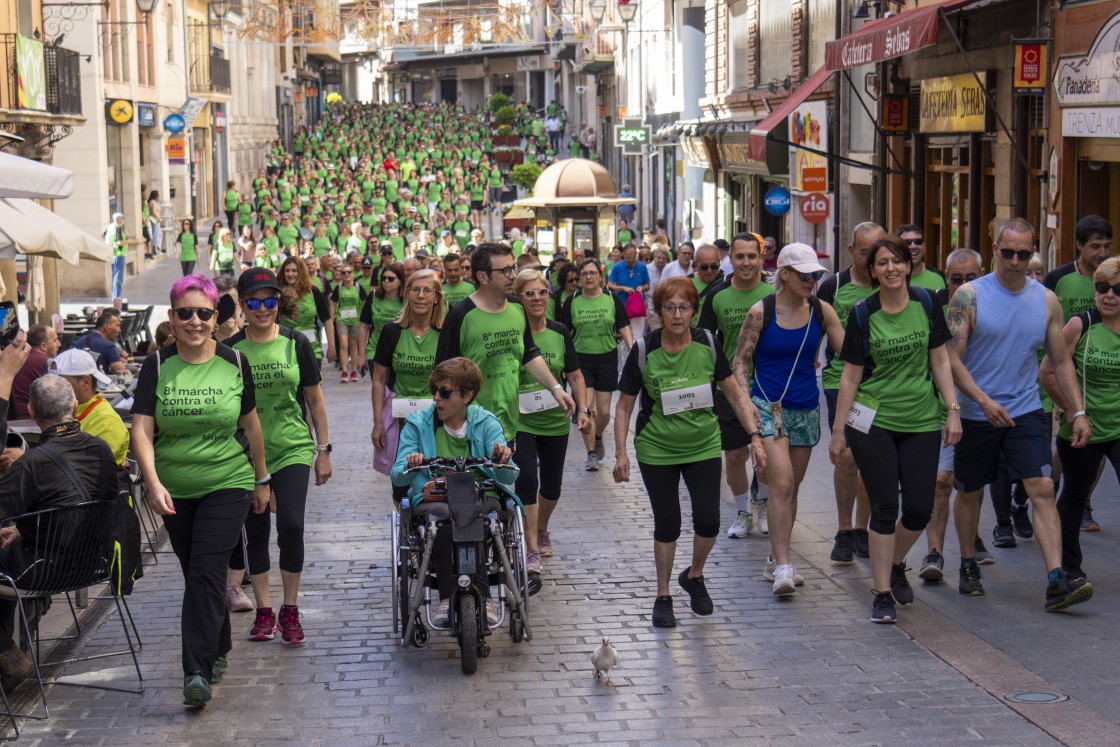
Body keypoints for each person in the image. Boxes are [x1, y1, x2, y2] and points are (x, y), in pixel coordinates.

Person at [131, 274, 271, 708]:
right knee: (198, 572)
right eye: (185, 313)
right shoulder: (156, 366)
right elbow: (141, 429)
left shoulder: (235, 362)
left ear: (216, 318)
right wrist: (153, 484)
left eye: (204, 313)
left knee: (206, 572)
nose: (194, 321)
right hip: (174, 491)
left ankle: (196, 670)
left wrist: (262, 479)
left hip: (227, 482)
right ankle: (220, 644)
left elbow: (250, 425)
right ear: (172, 318)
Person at [945, 217, 1092, 610]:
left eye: (1023, 254)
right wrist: (981, 400)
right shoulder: (969, 297)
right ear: (995, 249)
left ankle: (1056, 578)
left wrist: (1077, 411)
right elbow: (950, 359)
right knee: (970, 490)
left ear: (1032, 255)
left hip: (1026, 409)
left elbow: (1061, 362)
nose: (1014, 261)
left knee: (1042, 487)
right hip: (978, 411)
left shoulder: (1045, 300)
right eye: (1007, 252)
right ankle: (968, 562)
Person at [614, 277, 766, 627]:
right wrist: (621, 453)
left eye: (684, 307)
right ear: (660, 312)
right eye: (670, 308)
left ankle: (694, 575)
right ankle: (663, 594)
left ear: (694, 311)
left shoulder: (708, 344)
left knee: (709, 522)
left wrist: (754, 436)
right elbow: (623, 407)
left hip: (703, 445)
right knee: (668, 524)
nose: (678, 314)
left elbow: (734, 392)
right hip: (657, 449)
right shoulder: (643, 349)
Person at [828, 236, 960, 623]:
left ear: (907, 265)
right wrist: (838, 431)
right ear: (872, 271)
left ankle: (895, 561)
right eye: (881, 263)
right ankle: (882, 592)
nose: (890, 268)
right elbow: (850, 376)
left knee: (918, 510)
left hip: (921, 418)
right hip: (873, 422)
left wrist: (952, 410)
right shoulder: (862, 313)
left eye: (896, 261)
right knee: (885, 508)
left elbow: (939, 358)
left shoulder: (927, 302)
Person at [227, 268, 331, 645]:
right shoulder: (232, 351)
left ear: (278, 302)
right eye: (253, 301)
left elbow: (315, 401)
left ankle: (290, 609)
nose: (262, 308)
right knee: (255, 531)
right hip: (246, 455)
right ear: (242, 305)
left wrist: (323, 451)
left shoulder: (296, 342)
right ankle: (264, 610)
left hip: (292, 448)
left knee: (290, 526)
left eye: (270, 300)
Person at [733, 244, 844, 596]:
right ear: (784, 273)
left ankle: (774, 558)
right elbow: (740, 361)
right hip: (768, 406)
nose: (811, 281)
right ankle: (784, 566)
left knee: (790, 487)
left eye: (815, 275)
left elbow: (851, 353)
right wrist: (746, 404)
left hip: (806, 408)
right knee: (781, 484)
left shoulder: (822, 311)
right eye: (804, 275)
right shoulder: (760, 311)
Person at [0, 374, 118, 692]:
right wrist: (25, 532)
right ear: (75, 407)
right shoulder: (102, 449)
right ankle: (15, 650)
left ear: (31, 411)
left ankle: (7, 653)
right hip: (96, 563)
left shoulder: (32, 464)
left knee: (5, 564)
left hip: (46, 570)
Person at [390, 357, 517, 627]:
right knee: (442, 517)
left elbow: (511, 475)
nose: (436, 398)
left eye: (445, 392)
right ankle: (447, 596)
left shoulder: (486, 423)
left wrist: (502, 460)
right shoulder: (417, 424)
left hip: (480, 495)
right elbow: (396, 474)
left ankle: (483, 595)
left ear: (467, 395)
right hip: (434, 497)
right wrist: (412, 463)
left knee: (486, 517)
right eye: (435, 390)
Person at [436, 244, 575, 443]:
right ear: (483, 277)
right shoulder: (460, 316)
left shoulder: (517, 308)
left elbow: (529, 354)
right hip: (470, 429)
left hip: (510, 425)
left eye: (513, 268)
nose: (513, 276)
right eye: (505, 271)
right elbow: (443, 374)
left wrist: (556, 389)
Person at [1037, 256, 1120, 586]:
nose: (1109, 296)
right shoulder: (1080, 325)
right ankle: (1070, 565)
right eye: (1102, 288)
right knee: (1074, 494)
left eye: (1117, 289)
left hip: (1118, 427)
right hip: (1083, 429)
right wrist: (1070, 409)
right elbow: (1047, 372)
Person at [513, 269, 591, 575]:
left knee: (552, 487)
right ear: (518, 298)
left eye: (542, 292)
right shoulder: (513, 330)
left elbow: (575, 374)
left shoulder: (559, 331)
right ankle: (530, 545)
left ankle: (541, 527)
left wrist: (583, 409)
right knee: (527, 481)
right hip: (520, 420)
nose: (536, 298)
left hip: (555, 420)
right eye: (529, 293)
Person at [697, 233, 775, 539]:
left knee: (767, 452)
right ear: (730, 258)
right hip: (728, 389)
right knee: (734, 456)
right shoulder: (717, 295)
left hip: (768, 388)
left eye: (751, 256)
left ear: (761, 257)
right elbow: (704, 343)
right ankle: (744, 512)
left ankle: (765, 505)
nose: (746, 263)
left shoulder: (774, 293)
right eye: (739, 257)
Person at [817, 222, 881, 563]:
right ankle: (844, 529)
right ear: (851, 250)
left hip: (879, 387)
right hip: (840, 382)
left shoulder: (892, 284)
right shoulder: (834, 286)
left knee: (868, 459)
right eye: (865, 251)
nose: (872, 258)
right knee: (846, 457)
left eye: (879, 250)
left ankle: (861, 529)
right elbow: (816, 331)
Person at [1044, 215, 1112, 531]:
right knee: (1074, 441)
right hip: (1063, 369)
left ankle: (1082, 500)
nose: (1101, 252)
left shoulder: (1112, 275)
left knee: (1096, 449)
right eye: (1095, 246)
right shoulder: (1058, 277)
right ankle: (1052, 482)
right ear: (1080, 245)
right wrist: (1070, 405)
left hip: (1102, 370)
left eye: (1106, 246)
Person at [918, 248, 983, 582]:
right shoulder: (932, 305)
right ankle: (935, 553)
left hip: (981, 402)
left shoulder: (991, 300)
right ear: (946, 277)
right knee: (941, 480)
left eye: (971, 277)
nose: (963, 284)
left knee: (971, 484)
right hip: (943, 402)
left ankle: (970, 550)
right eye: (956, 278)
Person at [371, 269, 444, 500]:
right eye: (416, 290)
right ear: (407, 295)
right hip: (401, 420)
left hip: (437, 418)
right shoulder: (391, 332)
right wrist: (377, 424)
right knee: (401, 484)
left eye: (427, 291)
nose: (421, 296)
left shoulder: (445, 333)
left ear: (436, 298)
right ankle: (406, 530)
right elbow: (378, 379)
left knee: (436, 480)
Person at [559, 258, 634, 470]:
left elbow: (624, 326)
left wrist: (634, 349)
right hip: (580, 361)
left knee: (603, 412)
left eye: (592, 273)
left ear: (600, 277)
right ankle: (591, 453)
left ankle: (598, 435)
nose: (589, 277)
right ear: (579, 278)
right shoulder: (572, 300)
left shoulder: (611, 299)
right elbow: (564, 333)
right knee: (587, 408)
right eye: (584, 274)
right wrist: (563, 362)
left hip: (607, 359)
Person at [50, 348, 129, 466]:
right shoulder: (64, 411)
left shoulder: (107, 421)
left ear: (86, 382)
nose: (51, 388)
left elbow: (84, 468)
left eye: (60, 383)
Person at [278, 256, 335, 368]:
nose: (290, 274)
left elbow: (327, 320)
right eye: (287, 270)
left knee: (314, 385)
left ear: (301, 272)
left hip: (311, 349)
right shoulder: (278, 294)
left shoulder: (313, 291)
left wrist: (331, 347)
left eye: (294, 270)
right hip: (286, 350)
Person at [359, 262, 405, 374]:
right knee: (378, 389)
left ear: (400, 281)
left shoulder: (407, 300)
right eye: (383, 278)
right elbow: (364, 326)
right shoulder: (374, 296)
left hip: (400, 353)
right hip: (375, 351)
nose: (386, 281)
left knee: (394, 391)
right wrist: (361, 355)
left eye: (391, 279)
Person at [331, 262, 369, 383]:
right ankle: (344, 371)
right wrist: (331, 318)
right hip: (342, 319)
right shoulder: (338, 288)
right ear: (341, 275)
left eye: (349, 272)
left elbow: (365, 303)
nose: (346, 274)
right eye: (344, 273)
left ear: (352, 274)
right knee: (343, 345)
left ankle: (353, 371)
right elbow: (333, 303)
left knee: (354, 345)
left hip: (355, 320)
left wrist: (366, 319)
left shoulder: (358, 287)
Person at [11, 324, 60, 420]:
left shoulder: (18, 357)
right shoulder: (45, 362)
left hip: (12, 418)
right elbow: (54, 399)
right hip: (31, 420)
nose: (59, 344)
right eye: (55, 340)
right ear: (43, 346)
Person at [606, 245, 651, 339]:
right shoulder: (617, 267)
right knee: (623, 338)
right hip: (622, 306)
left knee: (638, 337)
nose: (631, 260)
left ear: (636, 255)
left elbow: (647, 285)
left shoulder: (642, 267)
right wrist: (623, 288)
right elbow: (609, 285)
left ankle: (636, 353)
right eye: (628, 258)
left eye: (633, 257)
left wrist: (642, 288)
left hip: (637, 307)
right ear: (623, 255)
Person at [74, 310, 127, 377]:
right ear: (106, 327)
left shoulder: (79, 341)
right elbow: (122, 373)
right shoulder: (109, 346)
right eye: (117, 326)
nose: (119, 330)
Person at [897, 224, 946, 292]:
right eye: (907, 242)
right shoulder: (892, 278)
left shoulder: (939, 277)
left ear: (924, 247)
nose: (913, 246)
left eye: (918, 242)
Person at [106, 212, 129, 300]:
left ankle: (114, 296)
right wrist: (128, 241)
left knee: (115, 277)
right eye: (123, 219)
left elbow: (103, 235)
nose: (123, 221)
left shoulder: (110, 227)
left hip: (113, 255)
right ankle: (116, 297)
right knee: (118, 278)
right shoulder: (118, 228)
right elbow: (119, 243)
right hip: (119, 255)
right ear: (120, 220)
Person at [148, 190, 163, 255]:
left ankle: (158, 248)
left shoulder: (151, 202)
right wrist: (159, 218)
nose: (159, 196)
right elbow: (153, 212)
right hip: (155, 220)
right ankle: (155, 249)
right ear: (156, 196)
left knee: (159, 234)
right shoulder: (153, 202)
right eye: (158, 195)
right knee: (156, 234)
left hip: (154, 220)